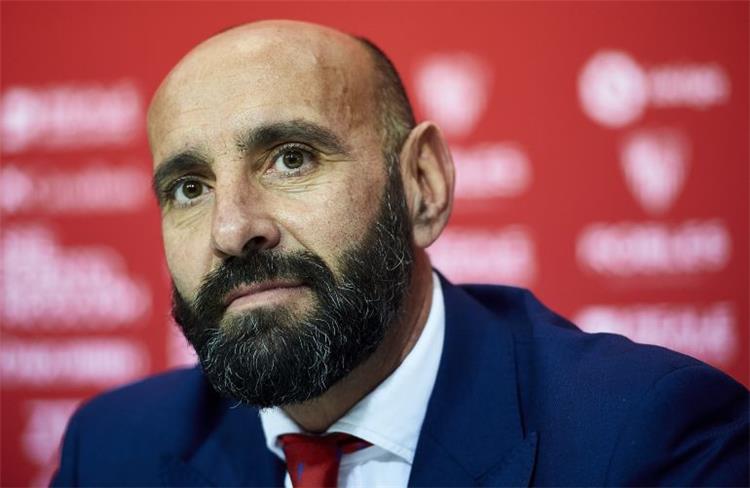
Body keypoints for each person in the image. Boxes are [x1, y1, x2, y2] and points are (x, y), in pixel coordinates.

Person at [52, 20, 748, 487]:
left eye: (291, 158)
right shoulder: (111, 451)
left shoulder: (649, 439)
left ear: (423, 184)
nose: (232, 230)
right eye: (189, 187)